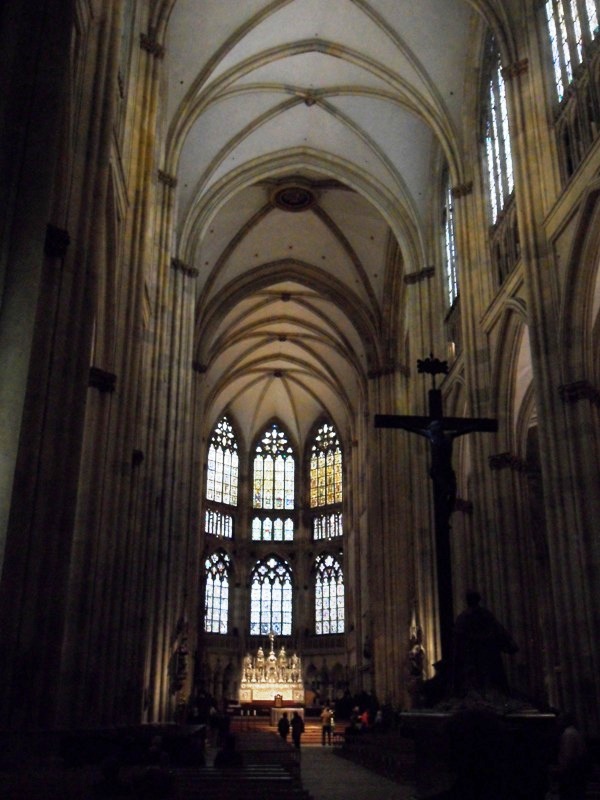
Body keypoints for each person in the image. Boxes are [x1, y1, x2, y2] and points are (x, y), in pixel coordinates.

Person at [452, 590, 518, 696]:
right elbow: (499, 631)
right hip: (484, 657)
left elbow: (457, 640)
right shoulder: (485, 615)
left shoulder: (463, 617)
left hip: (475, 658)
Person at [553, 713, 590, 800]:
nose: (558, 722)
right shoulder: (574, 732)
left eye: (560, 720)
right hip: (577, 771)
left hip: (572, 772)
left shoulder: (568, 734)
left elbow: (568, 755)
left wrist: (560, 769)